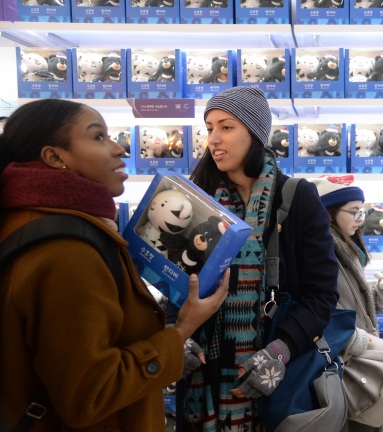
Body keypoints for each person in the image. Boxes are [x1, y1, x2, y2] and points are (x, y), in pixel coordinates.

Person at [0, 99, 229, 432]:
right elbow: (90, 393)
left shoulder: (39, 221)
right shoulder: (68, 252)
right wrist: (181, 330)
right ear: (54, 157)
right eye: (98, 137)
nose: (120, 149)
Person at [165, 86, 339, 431]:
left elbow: (322, 295)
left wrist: (283, 348)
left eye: (226, 127)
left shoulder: (295, 197)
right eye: (209, 127)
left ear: (255, 133)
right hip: (204, 370)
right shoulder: (194, 195)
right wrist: (176, 335)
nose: (214, 138)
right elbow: (178, 279)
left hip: (274, 374)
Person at [309, 174, 383, 432]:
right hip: (342, 365)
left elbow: (351, 299)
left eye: (362, 212)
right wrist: (350, 338)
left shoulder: (347, 249)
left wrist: (379, 293)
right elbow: (318, 308)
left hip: (361, 360)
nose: (360, 220)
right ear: (329, 212)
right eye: (354, 212)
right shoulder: (321, 252)